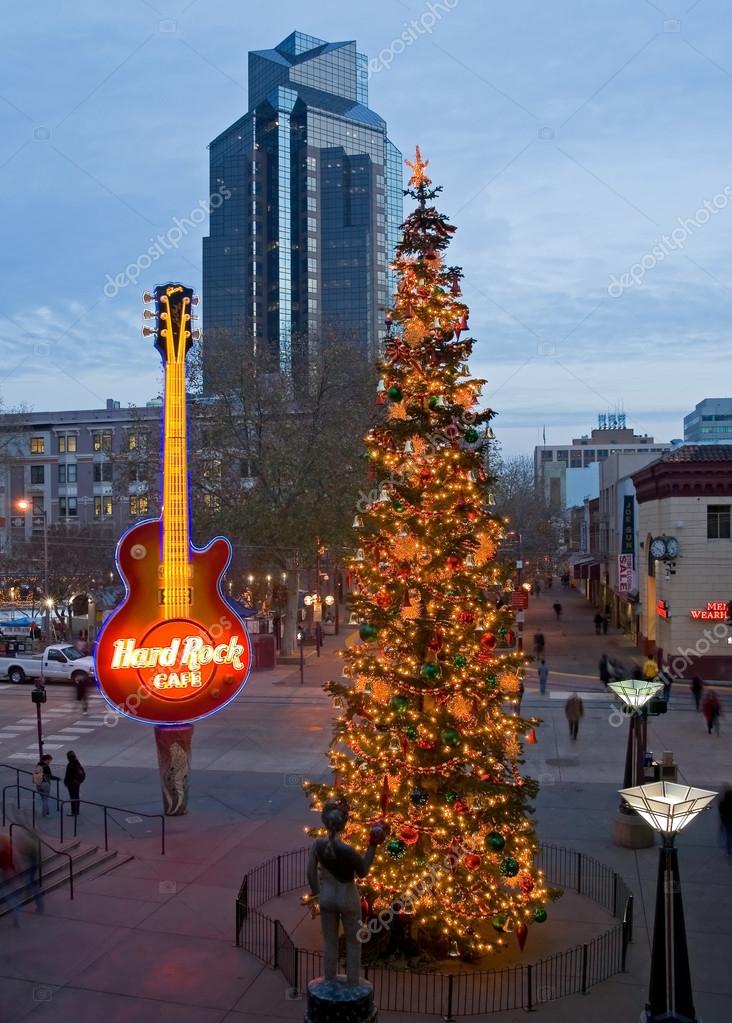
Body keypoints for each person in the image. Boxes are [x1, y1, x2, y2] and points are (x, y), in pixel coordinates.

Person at [307, 800, 384, 986]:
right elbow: (363, 871)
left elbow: (310, 873)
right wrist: (373, 845)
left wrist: (318, 893)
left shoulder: (317, 845)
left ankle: (329, 979)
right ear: (343, 825)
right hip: (347, 897)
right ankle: (352, 982)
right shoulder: (347, 850)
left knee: (329, 942)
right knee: (353, 941)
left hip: (327, 897)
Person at [64, 751, 86, 816]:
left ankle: (73, 812)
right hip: (77, 782)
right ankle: (77, 811)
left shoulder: (70, 765)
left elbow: (68, 775)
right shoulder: (77, 763)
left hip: (71, 783)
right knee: (76, 796)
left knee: (72, 797)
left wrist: (65, 782)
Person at [719, 787, 732, 857]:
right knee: (729, 837)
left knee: (729, 837)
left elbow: (721, 814)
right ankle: (729, 851)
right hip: (728, 822)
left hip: (726, 822)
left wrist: (722, 823)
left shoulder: (722, 803)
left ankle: (729, 851)